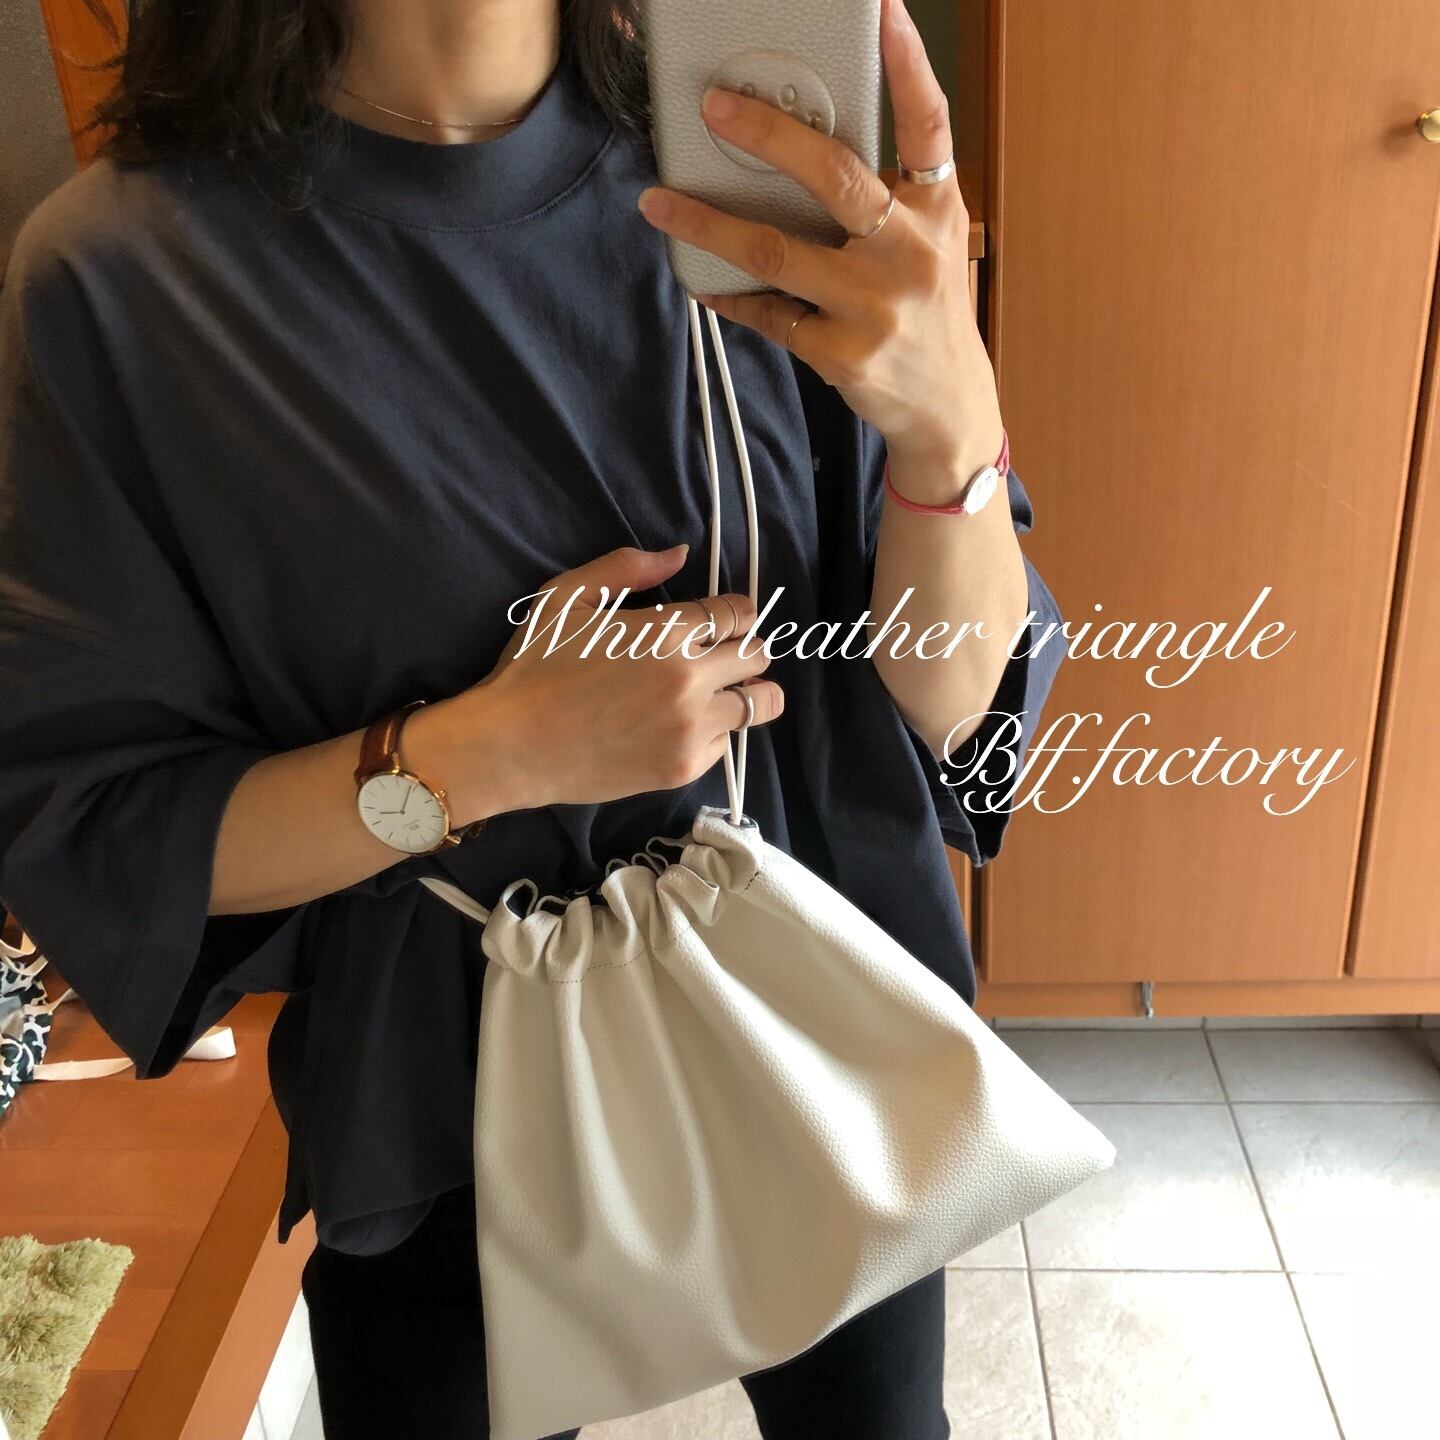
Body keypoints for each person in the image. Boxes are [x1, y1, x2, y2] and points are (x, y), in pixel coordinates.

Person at [0, 0, 1064, 1435]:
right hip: (442, 1117)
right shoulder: (130, 279)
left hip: (816, 1029)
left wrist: (951, 427)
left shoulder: (765, 186)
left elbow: (949, 703)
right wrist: (485, 754)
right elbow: (105, 833)